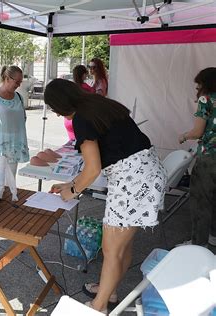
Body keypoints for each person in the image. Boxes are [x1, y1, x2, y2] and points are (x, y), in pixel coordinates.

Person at [44, 79, 166, 313]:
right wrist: (69, 184)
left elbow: (93, 169)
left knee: (111, 249)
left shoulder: (81, 117)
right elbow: (101, 158)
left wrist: (71, 192)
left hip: (133, 182)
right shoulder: (98, 104)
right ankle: (108, 292)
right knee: (122, 245)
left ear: (58, 105)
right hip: (145, 174)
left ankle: (98, 306)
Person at [178, 67, 216, 247]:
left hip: (209, 158)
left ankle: (198, 246)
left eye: (198, 84)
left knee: (201, 202)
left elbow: (198, 131)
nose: (197, 88)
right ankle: (213, 236)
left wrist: (184, 136)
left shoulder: (206, 99)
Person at [61, 65, 96, 141]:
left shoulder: (71, 87)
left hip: (68, 119)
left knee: (72, 143)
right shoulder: (86, 87)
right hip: (80, 119)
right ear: (83, 75)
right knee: (81, 146)